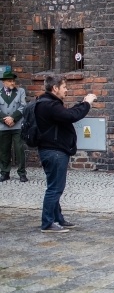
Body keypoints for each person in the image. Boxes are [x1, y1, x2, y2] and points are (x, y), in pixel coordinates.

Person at [35, 75, 97, 232]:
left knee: (54, 186)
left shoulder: (46, 103)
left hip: (51, 151)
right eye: (64, 87)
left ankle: (57, 218)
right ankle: (47, 223)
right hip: (54, 152)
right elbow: (71, 116)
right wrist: (87, 103)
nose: (66, 90)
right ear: (55, 88)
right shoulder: (49, 105)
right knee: (55, 188)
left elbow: (67, 113)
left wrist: (82, 104)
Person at [0, 71, 28, 182]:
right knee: (4, 150)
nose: (12, 83)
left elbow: (23, 106)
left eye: (13, 81)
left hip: (17, 125)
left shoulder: (20, 91)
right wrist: (5, 120)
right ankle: (4, 172)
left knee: (19, 149)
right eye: (9, 81)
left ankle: (22, 173)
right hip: (3, 126)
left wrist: (13, 118)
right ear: (3, 82)